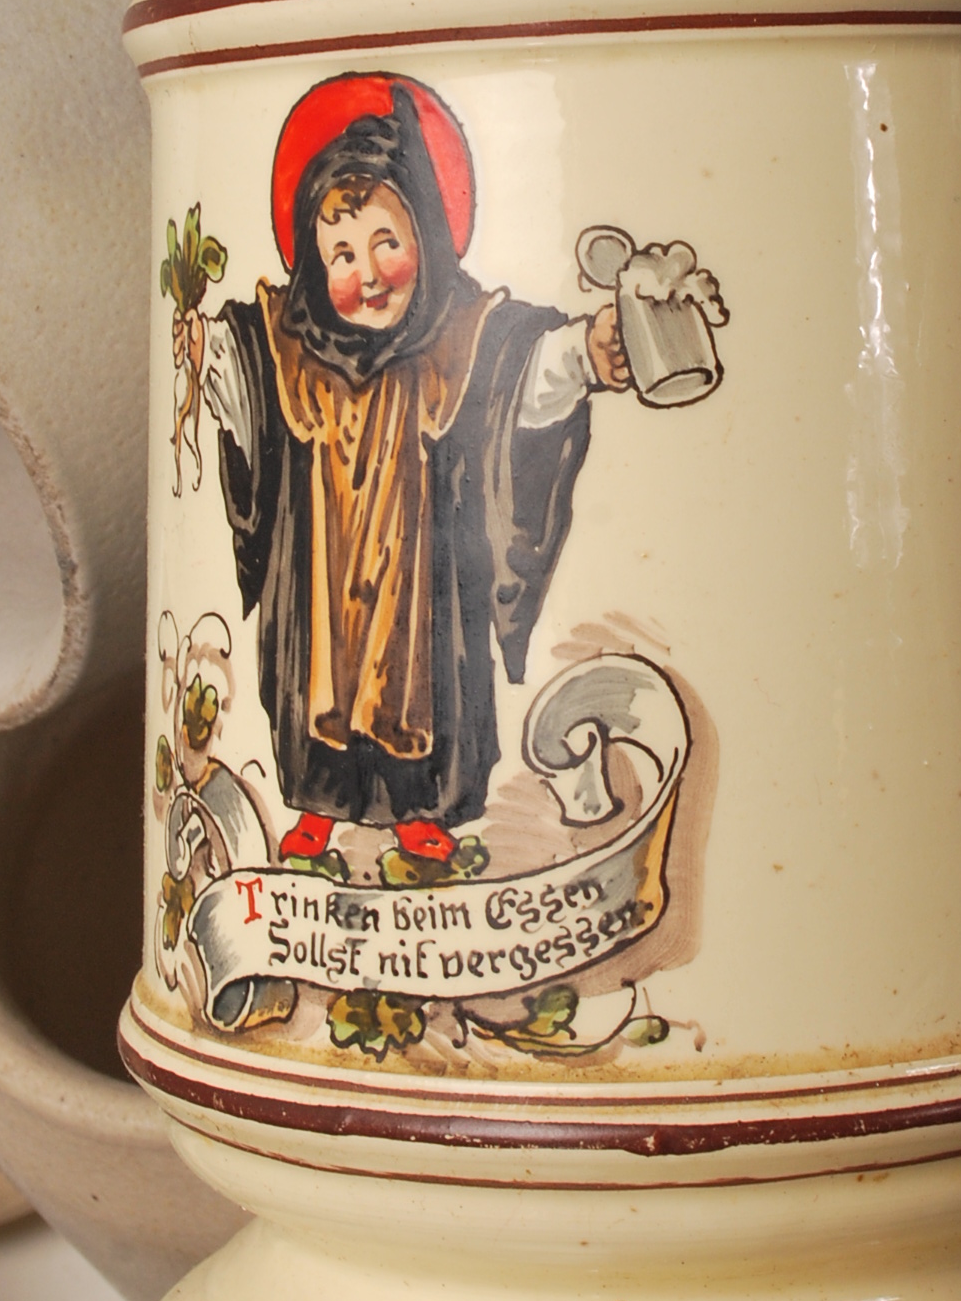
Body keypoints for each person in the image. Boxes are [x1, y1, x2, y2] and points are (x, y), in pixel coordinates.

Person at [171, 72, 630, 886]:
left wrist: (587, 354)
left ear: (429, 233)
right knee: (316, 672)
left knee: (428, 681)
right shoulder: (287, 344)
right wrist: (199, 348)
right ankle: (319, 805)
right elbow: (235, 381)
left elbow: (529, 374)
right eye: (341, 254)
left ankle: (421, 814)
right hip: (325, 573)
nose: (369, 272)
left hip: (422, 577)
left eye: (388, 241)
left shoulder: (462, 334)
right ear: (314, 263)